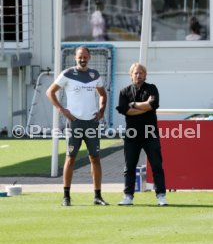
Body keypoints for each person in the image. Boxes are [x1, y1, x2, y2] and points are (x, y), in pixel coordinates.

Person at [46, 46, 109, 206]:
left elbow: (103, 94)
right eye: (80, 57)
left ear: (89, 57)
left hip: (92, 123)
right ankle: (66, 197)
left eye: (85, 57)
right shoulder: (67, 74)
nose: (83, 59)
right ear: (75, 57)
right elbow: (50, 92)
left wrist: (101, 110)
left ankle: (97, 196)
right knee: (70, 158)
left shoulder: (94, 75)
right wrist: (62, 110)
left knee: (95, 158)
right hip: (74, 123)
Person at [116, 63, 168, 206]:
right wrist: (144, 106)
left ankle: (161, 195)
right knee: (129, 167)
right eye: (135, 73)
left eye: (141, 73)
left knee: (156, 165)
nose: (138, 75)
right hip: (132, 135)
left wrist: (132, 105)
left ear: (145, 75)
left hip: (150, 133)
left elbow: (152, 105)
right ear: (131, 75)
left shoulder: (152, 88)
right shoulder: (124, 92)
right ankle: (128, 196)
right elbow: (124, 110)